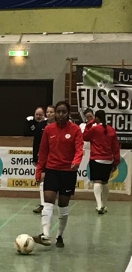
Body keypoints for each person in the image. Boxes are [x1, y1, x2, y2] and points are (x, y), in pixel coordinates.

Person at [34, 100, 83, 248]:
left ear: (68, 113)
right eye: (59, 112)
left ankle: (59, 236)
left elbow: (79, 148)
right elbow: (43, 152)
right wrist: (39, 171)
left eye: (64, 112)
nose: (61, 114)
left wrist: (76, 161)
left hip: (68, 172)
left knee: (63, 205)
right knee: (48, 200)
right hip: (52, 170)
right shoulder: (49, 130)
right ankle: (45, 235)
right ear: (55, 113)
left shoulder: (75, 130)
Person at [83, 109, 121, 214]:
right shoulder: (111, 130)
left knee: (97, 181)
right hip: (108, 160)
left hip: (96, 159)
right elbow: (116, 147)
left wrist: (90, 123)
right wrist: (116, 161)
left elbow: (85, 136)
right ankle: (104, 205)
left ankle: (99, 206)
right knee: (105, 182)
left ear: (96, 118)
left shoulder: (94, 129)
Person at [25, 107, 48, 214]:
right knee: (41, 179)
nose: (50, 113)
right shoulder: (40, 126)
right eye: (48, 112)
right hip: (42, 157)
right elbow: (36, 142)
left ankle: (50, 203)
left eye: (51, 112)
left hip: (55, 157)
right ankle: (43, 204)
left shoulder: (56, 126)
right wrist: (35, 157)